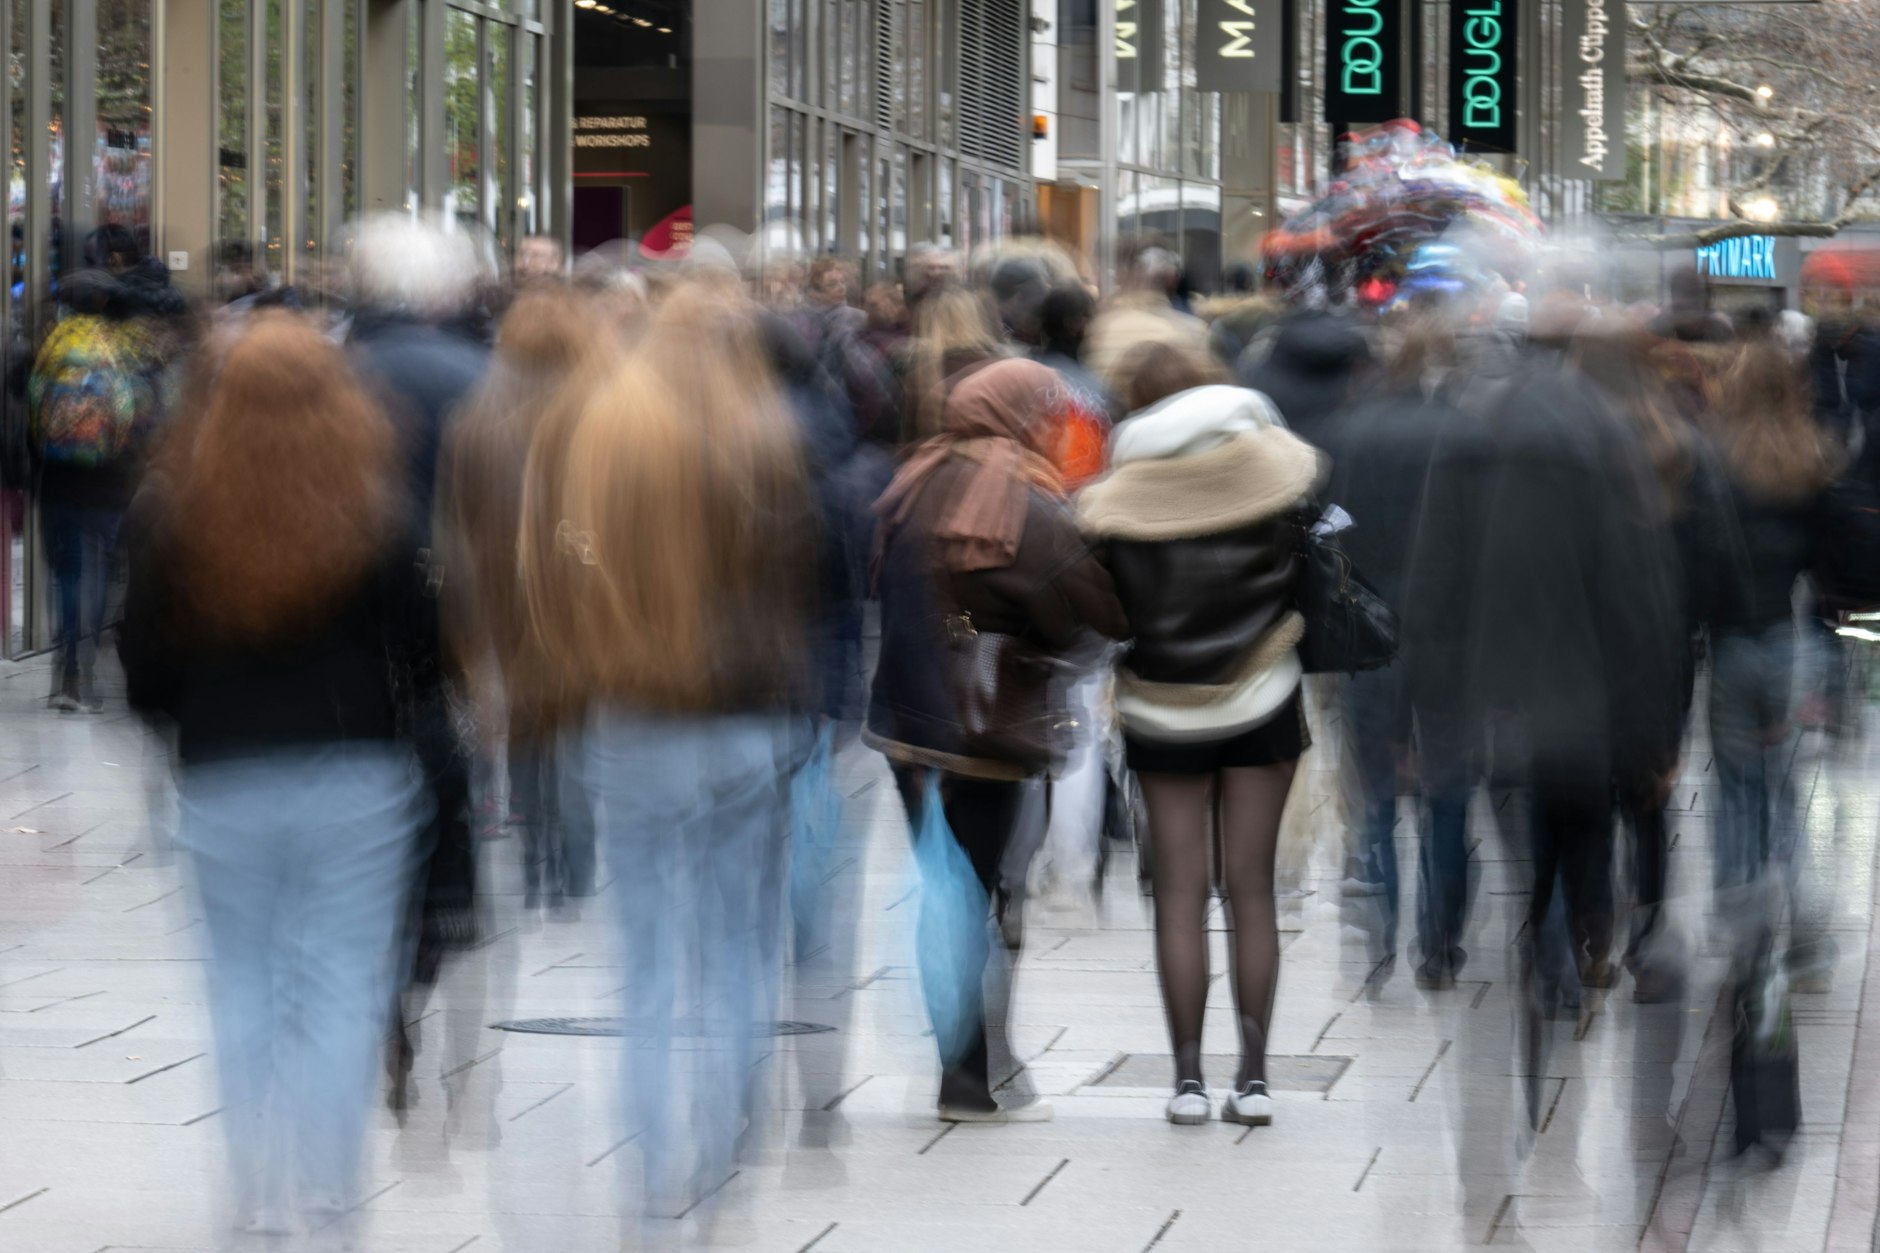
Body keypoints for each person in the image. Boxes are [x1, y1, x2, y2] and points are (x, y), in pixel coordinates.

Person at [117, 312, 434, 1242]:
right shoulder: (376, 507)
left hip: (221, 776)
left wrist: (186, 722)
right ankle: (331, 1194)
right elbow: (425, 650)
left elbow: (140, 667)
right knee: (340, 986)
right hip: (356, 774)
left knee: (242, 984)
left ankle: (255, 1196)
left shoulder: (172, 512)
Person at [519, 286, 817, 1221]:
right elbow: (816, 585)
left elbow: (563, 576)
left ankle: (654, 1172)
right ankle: (726, 1147)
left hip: (639, 717)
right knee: (736, 948)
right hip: (753, 719)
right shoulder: (773, 438)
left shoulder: (611, 439)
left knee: (646, 964)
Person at [866, 357, 1127, 1122]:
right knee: (988, 894)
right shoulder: (1027, 505)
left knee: (941, 890)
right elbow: (1090, 614)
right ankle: (978, 1070)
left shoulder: (911, 484)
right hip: (991, 728)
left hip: (906, 728)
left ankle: (962, 1059)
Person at [1078, 342, 1321, 1127]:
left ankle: (1185, 1079)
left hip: (1159, 708)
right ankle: (1253, 1078)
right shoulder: (1274, 476)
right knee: (1250, 890)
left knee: (1178, 892)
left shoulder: (1120, 496)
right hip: (1264, 696)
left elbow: (1099, 609)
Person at [440, 283, 616, 911]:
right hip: (583, 594)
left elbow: (453, 519)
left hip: (503, 594)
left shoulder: (477, 416)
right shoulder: (606, 409)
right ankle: (574, 864)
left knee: (525, 725)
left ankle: (535, 854)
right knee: (577, 731)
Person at [1700, 339, 1843, 980]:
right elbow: (1832, 565)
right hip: (1795, 643)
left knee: (1736, 792)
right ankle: (1807, 922)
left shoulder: (1715, 459)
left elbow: (1699, 558)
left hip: (1732, 643)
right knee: (1785, 796)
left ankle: (1741, 930)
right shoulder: (1814, 457)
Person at [28, 269, 163, 710]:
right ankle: (87, 669)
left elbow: (32, 409)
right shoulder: (120, 349)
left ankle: (66, 673)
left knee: (66, 572)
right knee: (102, 567)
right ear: (106, 304)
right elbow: (137, 415)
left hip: (58, 479)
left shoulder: (52, 346)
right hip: (109, 480)